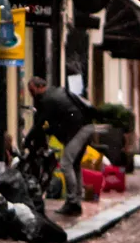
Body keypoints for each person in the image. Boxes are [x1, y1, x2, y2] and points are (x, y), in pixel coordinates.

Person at [25, 75, 97, 213]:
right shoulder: (55, 93)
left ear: (40, 87)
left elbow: (39, 123)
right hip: (85, 127)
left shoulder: (47, 99)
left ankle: (72, 202)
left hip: (79, 130)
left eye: (32, 90)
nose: (31, 94)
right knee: (75, 164)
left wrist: (27, 140)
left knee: (65, 163)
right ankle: (76, 201)